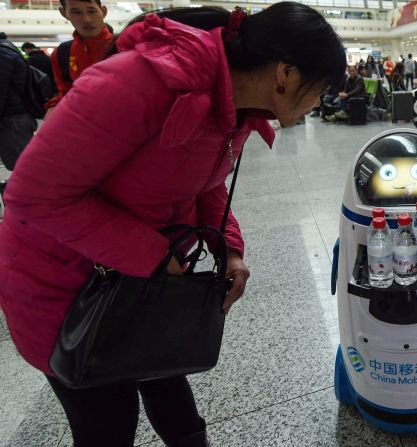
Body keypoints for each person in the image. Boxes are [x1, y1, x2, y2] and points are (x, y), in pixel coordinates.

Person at [0, 4, 346, 446]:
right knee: (108, 422)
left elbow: (204, 178)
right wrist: (155, 256)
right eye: (321, 89)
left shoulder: (237, 103)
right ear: (286, 74)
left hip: (142, 285)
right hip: (66, 290)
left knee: (169, 384)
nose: (322, 102)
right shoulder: (140, 83)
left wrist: (229, 248)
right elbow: (33, 194)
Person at [45, 0, 114, 115]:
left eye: (92, 11)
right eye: (76, 12)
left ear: (103, 11)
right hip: (83, 122)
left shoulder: (124, 46)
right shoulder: (62, 53)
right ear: (64, 13)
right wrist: (53, 106)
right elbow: (65, 91)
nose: (86, 19)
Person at [0, 33, 37, 172]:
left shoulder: (2, 53)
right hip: (15, 116)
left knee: (24, 169)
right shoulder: (6, 49)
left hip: (11, 119)